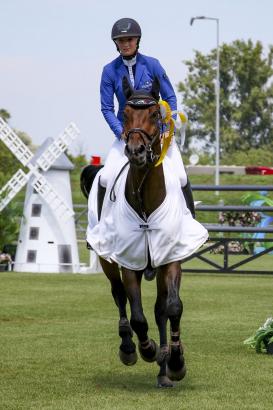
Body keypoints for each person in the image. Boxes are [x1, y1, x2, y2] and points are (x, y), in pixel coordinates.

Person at [99, 17, 195, 217]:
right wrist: (121, 133)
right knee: (106, 177)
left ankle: (191, 222)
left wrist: (166, 129)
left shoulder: (153, 65)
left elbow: (170, 97)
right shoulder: (109, 71)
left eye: (129, 40)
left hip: (157, 133)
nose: (125, 44)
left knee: (181, 176)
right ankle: (100, 228)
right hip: (128, 135)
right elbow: (107, 108)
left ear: (137, 41)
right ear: (115, 43)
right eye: (121, 41)